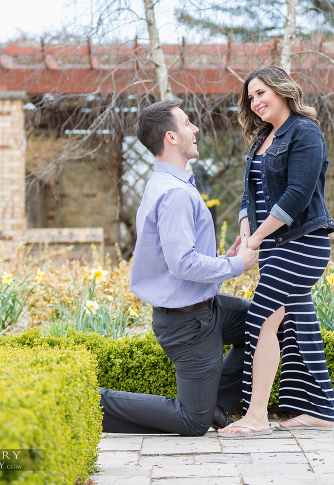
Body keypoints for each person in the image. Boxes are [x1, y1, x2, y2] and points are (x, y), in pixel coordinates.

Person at [98, 98, 258, 436]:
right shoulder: (174, 194)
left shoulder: (172, 185)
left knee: (263, 322)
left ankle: (217, 405)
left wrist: (223, 258)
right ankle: (92, 402)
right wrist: (237, 265)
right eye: (187, 124)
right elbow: (182, 264)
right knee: (193, 421)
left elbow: (179, 257)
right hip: (187, 324)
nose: (195, 129)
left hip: (204, 310)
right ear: (171, 137)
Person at [218, 66, 334, 436]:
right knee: (299, 325)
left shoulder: (305, 132)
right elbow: (248, 195)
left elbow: (297, 195)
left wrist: (257, 238)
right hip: (273, 246)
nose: (255, 102)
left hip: (303, 243)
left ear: (282, 90)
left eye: (261, 93)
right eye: (250, 97)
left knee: (260, 319)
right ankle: (319, 408)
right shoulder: (261, 141)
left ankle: (256, 415)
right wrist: (245, 233)